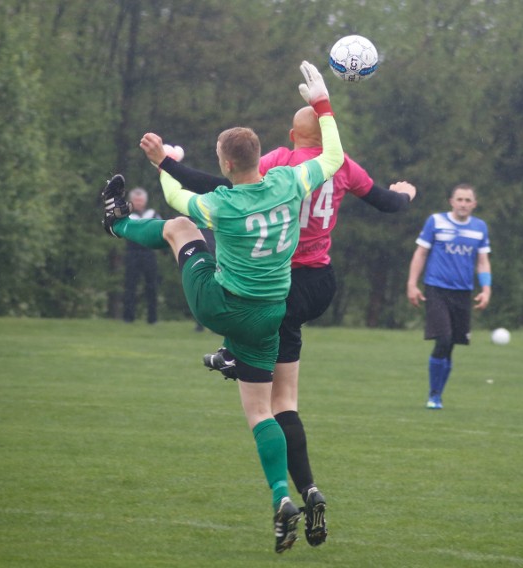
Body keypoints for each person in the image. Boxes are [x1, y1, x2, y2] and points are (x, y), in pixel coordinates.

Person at [140, 106, 416, 546]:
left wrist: (167, 164)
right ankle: (236, 357)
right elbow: (387, 202)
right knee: (278, 383)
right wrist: (406, 195)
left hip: (280, 287)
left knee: (276, 398)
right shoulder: (339, 164)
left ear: (289, 135)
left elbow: (221, 187)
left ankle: (303, 486)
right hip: (320, 283)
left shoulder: (279, 164)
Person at [101, 61, 343, 553]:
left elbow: (175, 196)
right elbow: (334, 156)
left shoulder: (224, 204)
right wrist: (323, 102)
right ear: (260, 159)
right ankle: (281, 496)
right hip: (270, 314)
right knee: (262, 412)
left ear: (228, 166)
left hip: (222, 304)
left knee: (177, 229)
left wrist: (163, 159)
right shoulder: (291, 182)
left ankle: (116, 224)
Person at [406, 183, 491, 409]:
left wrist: (486, 289)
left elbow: (482, 261)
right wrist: (412, 284)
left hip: (463, 293)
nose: (463, 204)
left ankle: (438, 395)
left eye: (467, 200)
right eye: (459, 199)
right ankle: (433, 394)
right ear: (451, 202)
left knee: (451, 344)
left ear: (474, 204)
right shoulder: (436, 222)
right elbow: (421, 253)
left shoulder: (480, 228)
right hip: (436, 289)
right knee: (442, 339)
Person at [122, 187, 160, 324]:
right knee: (130, 285)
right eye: (136, 200)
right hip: (132, 253)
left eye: (141, 200)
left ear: (145, 201)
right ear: (131, 201)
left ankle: (152, 318)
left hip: (148, 253)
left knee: (152, 285)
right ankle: (128, 317)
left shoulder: (153, 214)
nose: (138, 202)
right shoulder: (126, 215)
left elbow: (160, 231)